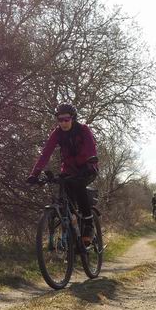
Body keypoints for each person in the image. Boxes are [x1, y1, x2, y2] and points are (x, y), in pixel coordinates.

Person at [27, 103, 99, 245]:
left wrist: (91, 165)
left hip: (87, 167)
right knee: (66, 198)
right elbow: (45, 153)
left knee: (79, 187)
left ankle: (89, 225)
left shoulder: (83, 130)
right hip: (69, 170)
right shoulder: (57, 133)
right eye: (60, 120)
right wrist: (34, 174)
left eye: (66, 119)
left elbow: (91, 148)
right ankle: (73, 236)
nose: (63, 123)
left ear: (72, 118)